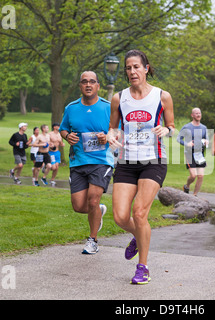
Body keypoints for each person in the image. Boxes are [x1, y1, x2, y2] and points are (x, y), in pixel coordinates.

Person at [106, 49, 174, 285]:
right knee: (120, 216)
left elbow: (172, 125)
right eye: (128, 67)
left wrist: (167, 130)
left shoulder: (162, 96)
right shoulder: (119, 98)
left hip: (153, 161)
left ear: (146, 68)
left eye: (136, 66)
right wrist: (112, 136)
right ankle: (138, 235)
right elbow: (113, 127)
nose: (132, 71)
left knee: (139, 213)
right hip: (126, 161)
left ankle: (142, 267)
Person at [59, 71, 114, 254]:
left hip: (101, 160)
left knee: (92, 200)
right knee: (78, 206)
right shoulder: (71, 108)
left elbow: (119, 130)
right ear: (80, 86)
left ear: (98, 85)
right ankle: (99, 211)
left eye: (92, 82)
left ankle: (93, 240)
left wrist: (107, 136)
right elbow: (63, 129)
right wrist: (68, 136)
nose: (88, 85)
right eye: (84, 82)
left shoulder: (108, 107)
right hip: (78, 161)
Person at [177, 108, 208, 196]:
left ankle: (194, 195)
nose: (198, 115)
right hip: (189, 153)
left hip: (200, 154)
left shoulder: (203, 127)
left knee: (201, 176)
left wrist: (206, 142)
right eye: (196, 113)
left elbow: (207, 139)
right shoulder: (187, 127)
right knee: (193, 175)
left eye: (199, 113)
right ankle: (187, 186)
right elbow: (178, 139)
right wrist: (187, 144)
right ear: (192, 115)